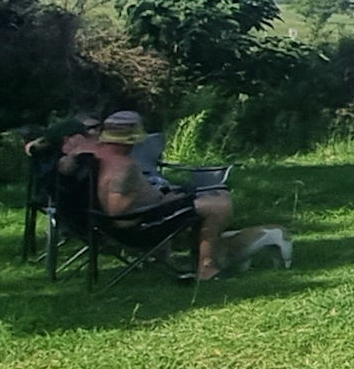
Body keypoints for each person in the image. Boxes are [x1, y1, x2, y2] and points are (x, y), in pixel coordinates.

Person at [60, 111, 238, 282]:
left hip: (120, 219)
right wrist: (161, 200)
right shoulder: (124, 166)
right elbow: (118, 210)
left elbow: (59, 158)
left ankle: (196, 259)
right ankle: (207, 269)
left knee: (203, 198)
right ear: (127, 141)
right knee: (219, 205)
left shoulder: (91, 154)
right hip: (138, 225)